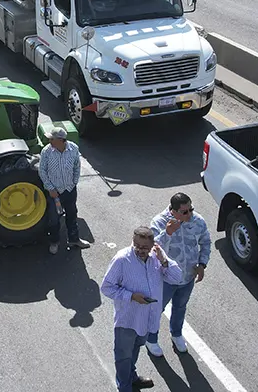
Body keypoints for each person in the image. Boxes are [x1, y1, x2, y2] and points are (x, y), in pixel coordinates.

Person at [102, 226, 182, 391]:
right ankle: (124, 386)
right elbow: (106, 287)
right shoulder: (122, 260)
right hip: (128, 320)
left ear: (152, 245)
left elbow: (177, 278)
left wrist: (164, 261)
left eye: (145, 247)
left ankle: (132, 377)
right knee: (123, 356)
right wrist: (131, 296)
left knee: (136, 348)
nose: (140, 250)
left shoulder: (157, 258)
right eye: (136, 245)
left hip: (147, 319)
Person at [146, 192, 211, 356]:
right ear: (173, 211)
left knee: (180, 307)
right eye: (184, 212)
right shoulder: (159, 222)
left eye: (191, 209)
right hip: (165, 279)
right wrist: (167, 233)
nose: (189, 214)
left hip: (187, 277)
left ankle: (176, 334)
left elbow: (205, 242)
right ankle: (150, 338)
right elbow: (153, 250)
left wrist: (202, 264)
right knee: (156, 309)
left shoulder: (197, 221)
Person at [39, 127, 90, 255]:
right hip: (54, 192)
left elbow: (77, 167)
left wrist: (73, 183)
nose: (49, 140)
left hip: (70, 190)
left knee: (72, 214)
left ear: (61, 140)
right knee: (54, 219)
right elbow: (42, 171)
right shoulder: (46, 151)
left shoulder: (73, 149)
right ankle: (54, 242)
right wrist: (50, 188)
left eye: (52, 138)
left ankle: (74, 239)